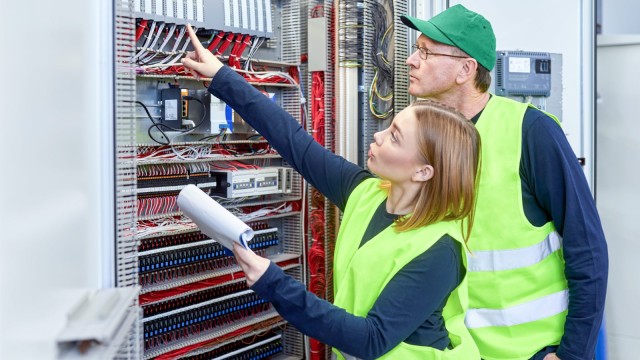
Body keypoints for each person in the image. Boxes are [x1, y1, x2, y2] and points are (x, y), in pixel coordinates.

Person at [181, 24, 481, 359]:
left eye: (395, 137)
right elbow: (296, 144)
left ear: (423, 171)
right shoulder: (366, 193)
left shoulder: (440, 250)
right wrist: (222, 76)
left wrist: (274, 282)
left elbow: (371, 339)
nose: (379, 137)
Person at [400, 5, 608, 360]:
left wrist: (572, 353)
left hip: (530, 351)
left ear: (466, 69)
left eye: (425, 51)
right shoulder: (421, 136)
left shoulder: (531, 132)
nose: (410, 60)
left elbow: (587, 248)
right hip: (457, 350)